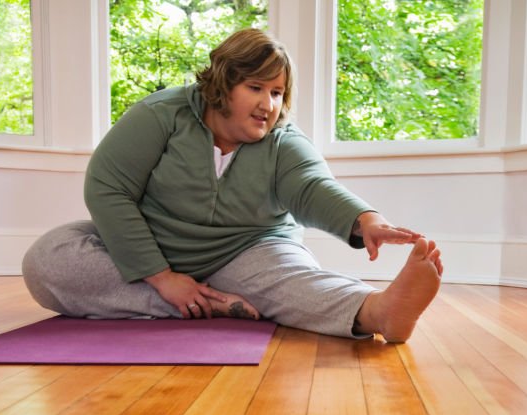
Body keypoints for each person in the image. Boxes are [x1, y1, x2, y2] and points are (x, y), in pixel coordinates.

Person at [22, 28, 442, 342]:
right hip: (155, 249)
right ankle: (210, 304)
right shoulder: (160, 115)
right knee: (50, 259)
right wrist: (162, 277)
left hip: (249, 251)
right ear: (222, 83)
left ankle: (378, 312)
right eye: (255, 88)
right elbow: (107, 187)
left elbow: (311, 186)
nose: (268, 105)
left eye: (277, 93)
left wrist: (364, 219)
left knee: (292, 280)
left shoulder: (284, 141)